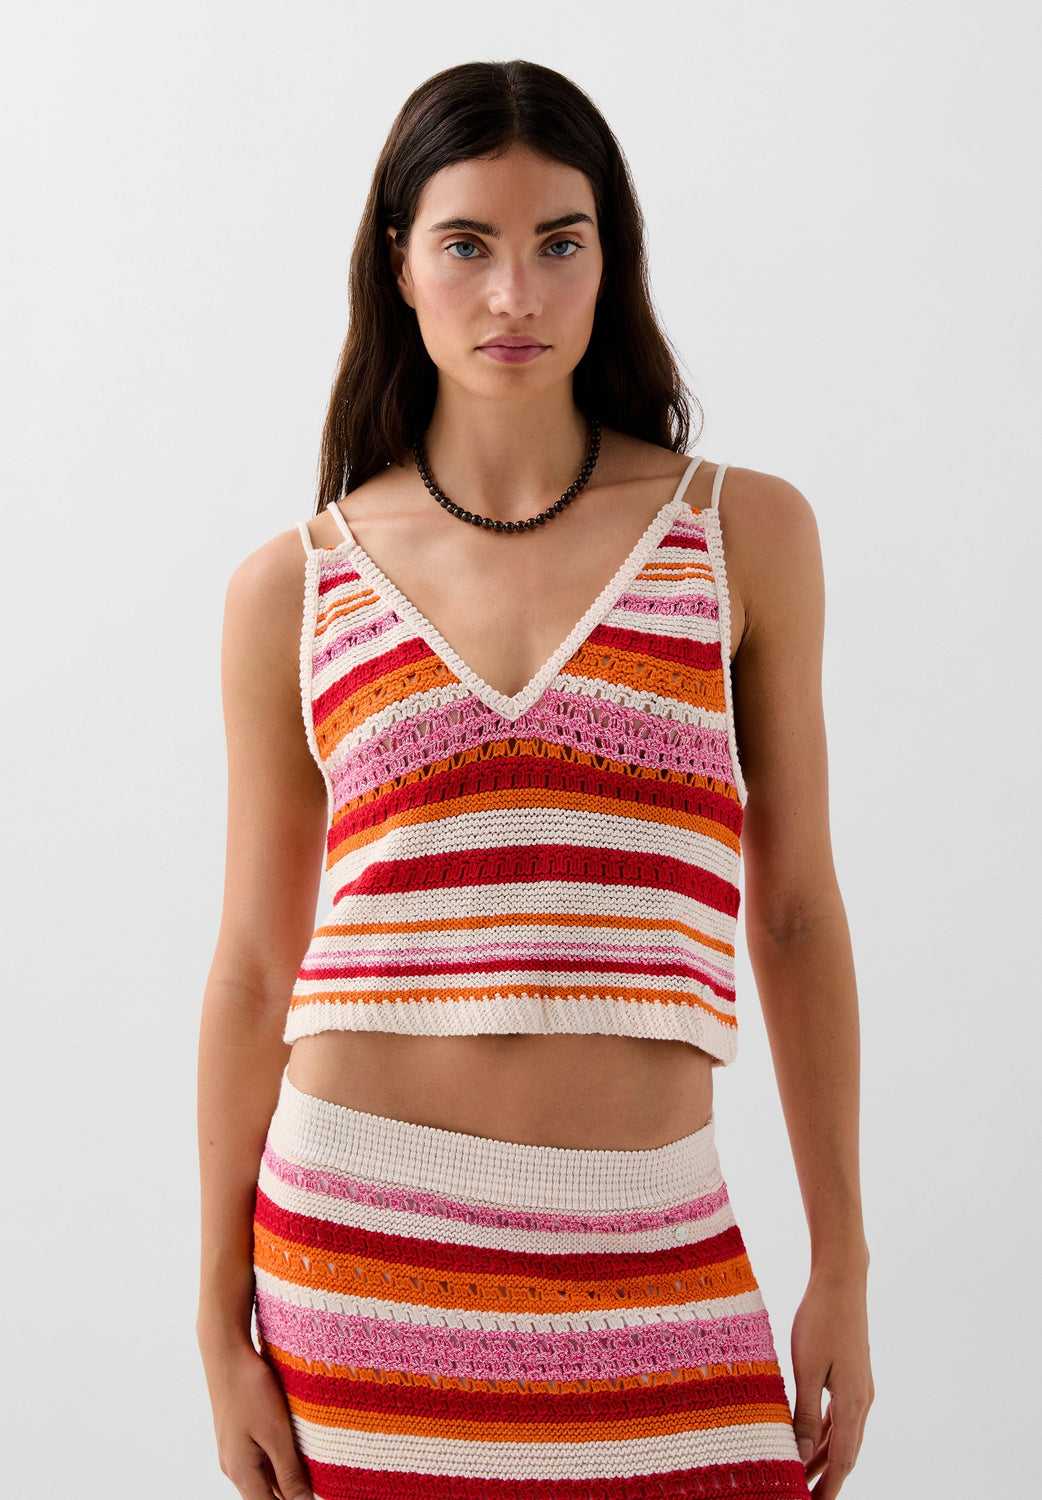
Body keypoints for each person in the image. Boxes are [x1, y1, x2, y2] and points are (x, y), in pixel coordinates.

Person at [196, 59, 873, 1500]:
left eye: (559, 243)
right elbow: (255, 966)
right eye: (467, 244)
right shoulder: (295, 587)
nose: (515, 294)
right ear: (397, 262)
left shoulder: (738, 536)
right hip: (356, 1255)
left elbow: (797, 913)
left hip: (654, 1241)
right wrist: (214, 1321)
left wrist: (843, 1265)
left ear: (609, 260)